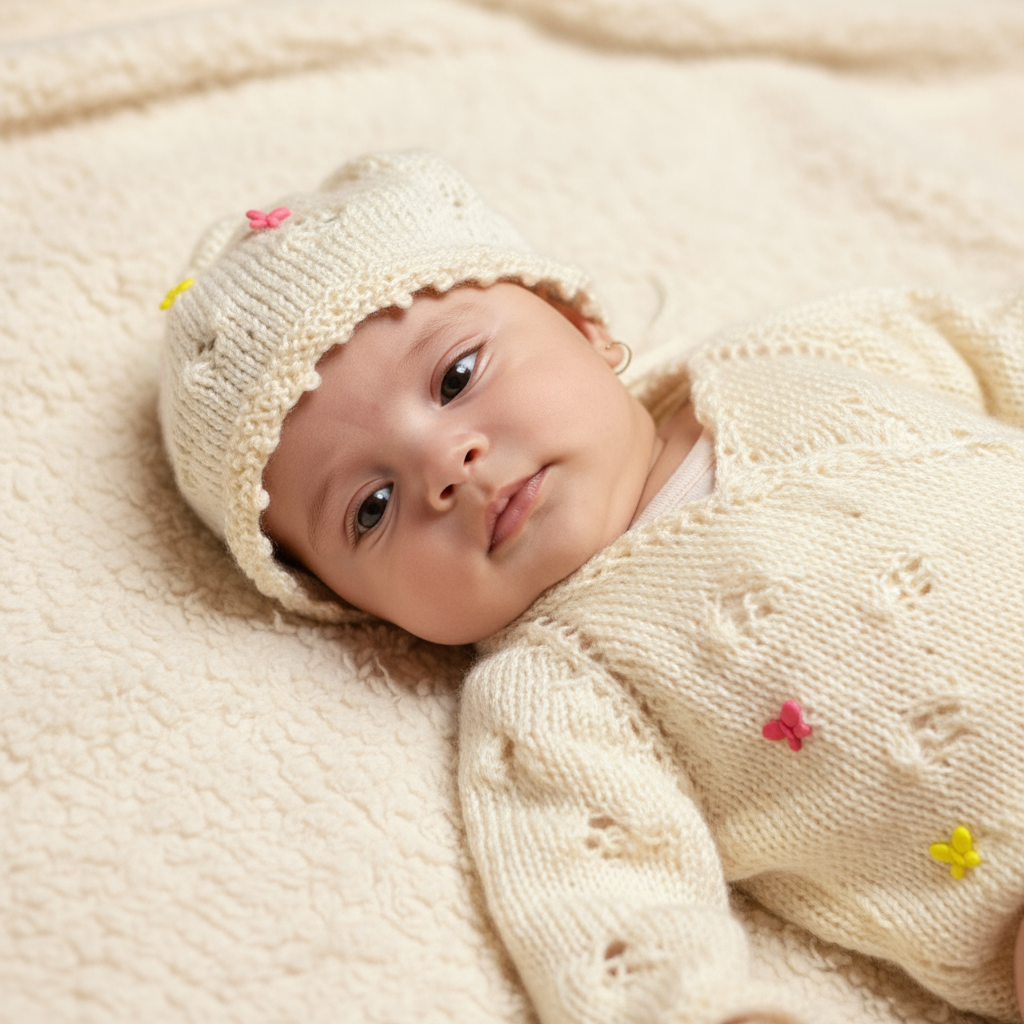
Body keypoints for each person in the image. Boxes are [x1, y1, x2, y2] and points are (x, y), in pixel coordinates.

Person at [159, 150, 1024, 1024]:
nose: (443, 465)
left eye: (457, 377)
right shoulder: (555, 694)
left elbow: (988, 338)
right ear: (360, 608)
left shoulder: (795, 354)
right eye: (371, 507)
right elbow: (600, 895)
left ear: (582, 328)